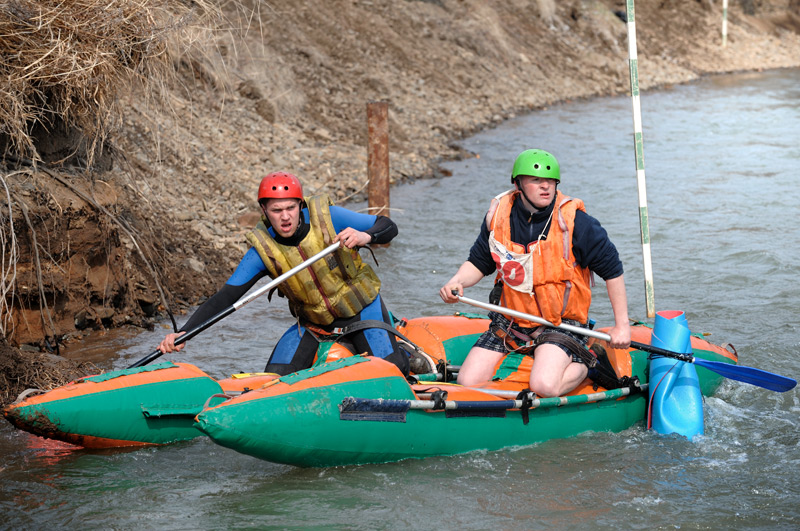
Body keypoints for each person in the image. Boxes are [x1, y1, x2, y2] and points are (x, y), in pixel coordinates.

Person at [158, 171, 409, 376]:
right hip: (314, 325)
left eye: (290, 208)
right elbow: (225, 298)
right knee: (275, 379)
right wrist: (184, 332)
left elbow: (387, 226)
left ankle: (407, 354)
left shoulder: (328, 217)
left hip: (363, 311)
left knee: (392, 372)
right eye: (276, 210)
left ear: (300, 205)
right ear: (264, 210)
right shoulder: (262, 251)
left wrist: (365, 236)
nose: (285, 217)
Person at [439, 149, 630, 397]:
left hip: (561, 324)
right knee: (467, 382)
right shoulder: (498, 216)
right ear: (518, 184)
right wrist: (456, 282)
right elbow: (479, 262)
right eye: (536, 180)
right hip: (511, 322)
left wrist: (621, 326)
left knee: (544, 386)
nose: (545, 187)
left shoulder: (577, 222)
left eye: (550, 181)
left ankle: (587, 365)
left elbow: (613, 270)